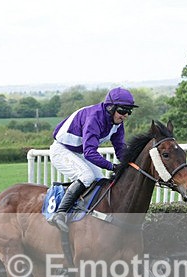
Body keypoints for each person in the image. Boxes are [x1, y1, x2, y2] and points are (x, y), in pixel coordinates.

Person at [47, 87, 137, 231]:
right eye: (122, 111)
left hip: (79, 151)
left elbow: (120, 149)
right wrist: (112, 166)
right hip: (62, 150)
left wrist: (132, 165)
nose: (125, 115)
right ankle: (60, 214)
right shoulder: (94, 118)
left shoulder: (117, 124)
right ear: (110, 108)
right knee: (87, 176)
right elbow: (90, 152)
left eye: (129, 112)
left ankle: (89, 215)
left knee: (99, 180)